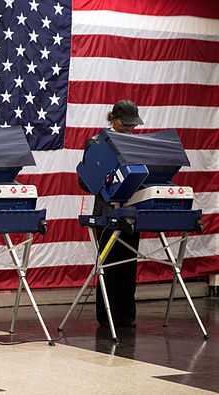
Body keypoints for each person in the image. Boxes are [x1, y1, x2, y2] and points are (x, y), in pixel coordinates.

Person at [79, 99, 143, 328]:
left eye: (133, 125)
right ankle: (108, 318)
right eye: (125, 123)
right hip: (106, 212)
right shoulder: (96, 143)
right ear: (112, 119)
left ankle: (127, 317)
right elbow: (84, 181)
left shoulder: (137, 143)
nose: (129, 128)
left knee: (129, 265)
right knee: (109, 267)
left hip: (131, 210)